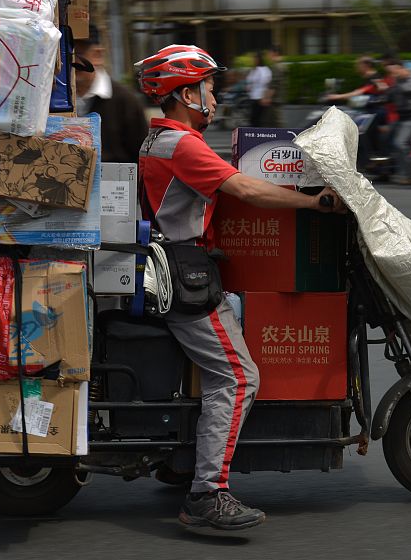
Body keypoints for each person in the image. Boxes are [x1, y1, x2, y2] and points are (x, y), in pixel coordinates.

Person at [135, 44, 343, 531]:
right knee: (238, 376)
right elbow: (246, 189)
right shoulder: (182, 145)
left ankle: (183, 460)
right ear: (186, 93)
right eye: (208, 86)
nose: (214, 94)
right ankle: (207, 493)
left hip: (176, 265)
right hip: (185, 275)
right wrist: (314, 203)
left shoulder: (160, 139)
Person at [74, 38, 148, 164]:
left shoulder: (126, 101)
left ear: (97, 55)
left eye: (78, 54)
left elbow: (141, 156)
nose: (72, 62)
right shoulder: (52, 99)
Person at [384, 57, 411, 182]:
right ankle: (402, 172)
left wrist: (395, 80)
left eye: (396, 70)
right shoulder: (398, 82)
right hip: (402, 118)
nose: (394, 73)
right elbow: (389, 96)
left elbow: (406, 90)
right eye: (392, 71)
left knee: (400, 144)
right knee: (388, 140)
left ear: (404, 69)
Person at [245, 51, 272, 127]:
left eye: (255, 58)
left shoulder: (264, 70)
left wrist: (265, 97)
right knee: (253, 119)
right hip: (253, 96)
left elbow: (266, 84)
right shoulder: (254, 70)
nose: (253, 60)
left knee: (258, 119)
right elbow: (249, 80)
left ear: (259, 59)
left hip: (260, 97)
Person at [262, 45, 286, 128]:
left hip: (275, 99)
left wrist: (267, 98)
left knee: (275, 123)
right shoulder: (282, 65)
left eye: (269, 53)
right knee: (274, 122)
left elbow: (273, 84)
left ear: (275, 53)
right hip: (278, 98)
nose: (268, 55)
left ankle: (283, 139)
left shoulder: (276, 67)